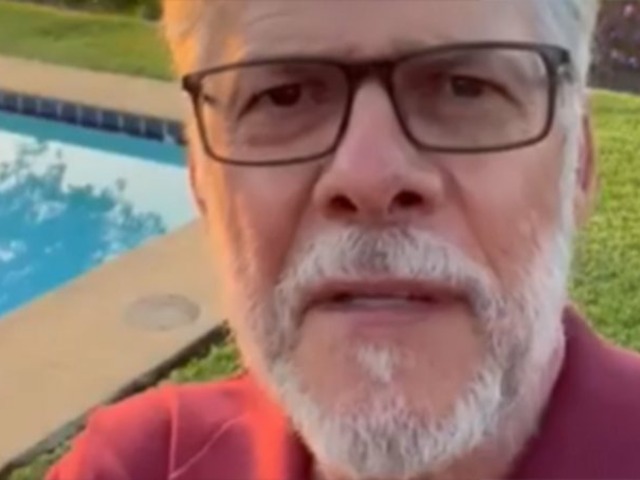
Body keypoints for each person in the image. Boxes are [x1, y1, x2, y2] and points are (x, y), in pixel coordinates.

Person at [48, 1, 640, 479]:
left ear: (578, 166)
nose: (368, 176)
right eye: (283, 97)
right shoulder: (137, 466)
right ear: (201, 180)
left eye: (464, 88)